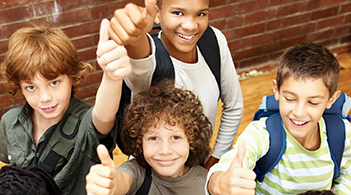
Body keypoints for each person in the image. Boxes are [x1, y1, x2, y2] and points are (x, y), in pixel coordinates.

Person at [0, 19, 131, 194]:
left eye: (54, 83)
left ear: (72, 77)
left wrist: (111, 77)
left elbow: (103, 116)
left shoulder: (86, 121)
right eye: (31, 87)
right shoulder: (9, 122)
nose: (45, 98)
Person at [108, 0, 244, 169]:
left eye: (200, 14)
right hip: (154, 178)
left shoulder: (214, 41)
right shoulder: (150, 61)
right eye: (178, 13)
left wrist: (215, 161)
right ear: (158, 14)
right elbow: (139, 57)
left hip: (197, 170)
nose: (190, 25)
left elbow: (234, 106)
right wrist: (134, 37)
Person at [206, 42, 351, 195]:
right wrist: (218, 183)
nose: (299, 112)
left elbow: (348, 174)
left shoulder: (343, 134)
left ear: (331, 100)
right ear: (276, 90)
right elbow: (228, 165)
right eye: (289, 99)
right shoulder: (262, 134)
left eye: (313, 102)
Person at [85, 80, 213, 195]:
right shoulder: (137, 173)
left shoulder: (208, 184)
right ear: (140, 144)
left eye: (175, 137)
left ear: (191, 140)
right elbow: (123, 180)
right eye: (153, 138)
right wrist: (112, 184)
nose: (165, 150)